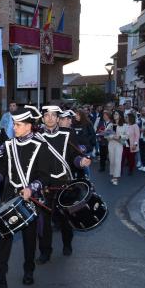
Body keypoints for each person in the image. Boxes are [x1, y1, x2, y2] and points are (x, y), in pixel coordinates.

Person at [0, 106, 56, 288]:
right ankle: (0, 276)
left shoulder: (41, 146)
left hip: (30, 198)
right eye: (14, 124)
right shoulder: (9, 145)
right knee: (4, 235)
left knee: (29, 238)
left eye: (18, 124)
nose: (14, 128)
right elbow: (3, 170)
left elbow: (45, 175)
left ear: (29, 126)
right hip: (10, 195)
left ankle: (28, 271)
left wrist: (32, 188)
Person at [35, 105, 91, 262]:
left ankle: (67, 244)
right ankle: (45, 251)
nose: (50, 118)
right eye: (47, 115)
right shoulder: (37, 136)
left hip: (64, 183)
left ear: (58, 118)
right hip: (45, 185)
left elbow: (74, 156)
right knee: (44, 221)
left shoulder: (68, 134)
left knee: (65, 218)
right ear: (43, 118)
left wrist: (81, 161)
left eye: (54, 115)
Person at [106, 111, 127, 185]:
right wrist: (111, 136)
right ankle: (113, 174)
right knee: (112, 161)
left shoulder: (124, 125)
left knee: (117, 161)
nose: (115, 115)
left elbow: (127, 136)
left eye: (116, 114)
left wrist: (120, 136)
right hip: (111, 144)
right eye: (114, 114)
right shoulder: (110, 125)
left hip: (119, 144)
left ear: (120, 116)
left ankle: (116, 178)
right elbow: (106, 135)